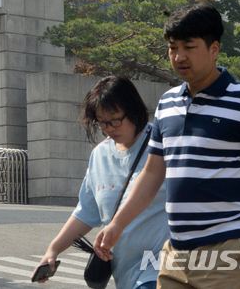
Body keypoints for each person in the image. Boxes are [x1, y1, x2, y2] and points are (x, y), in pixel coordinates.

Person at [93, 3, 240, 289]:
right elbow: (151, 174)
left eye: (189, 46)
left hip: (230, 244)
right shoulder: (167, 103)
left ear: (214, 49)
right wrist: (117, 224)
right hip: (177, 247)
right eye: (173, 48)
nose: (179, 56)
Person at [33, 75, 168, 289]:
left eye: (115, 119)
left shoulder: (162, 147)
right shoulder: (99, 155)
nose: (109, 128)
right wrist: (53, 249)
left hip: (161, 270)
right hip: (123, 273)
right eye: (102, 122)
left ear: (134, 110)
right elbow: (86, 213)